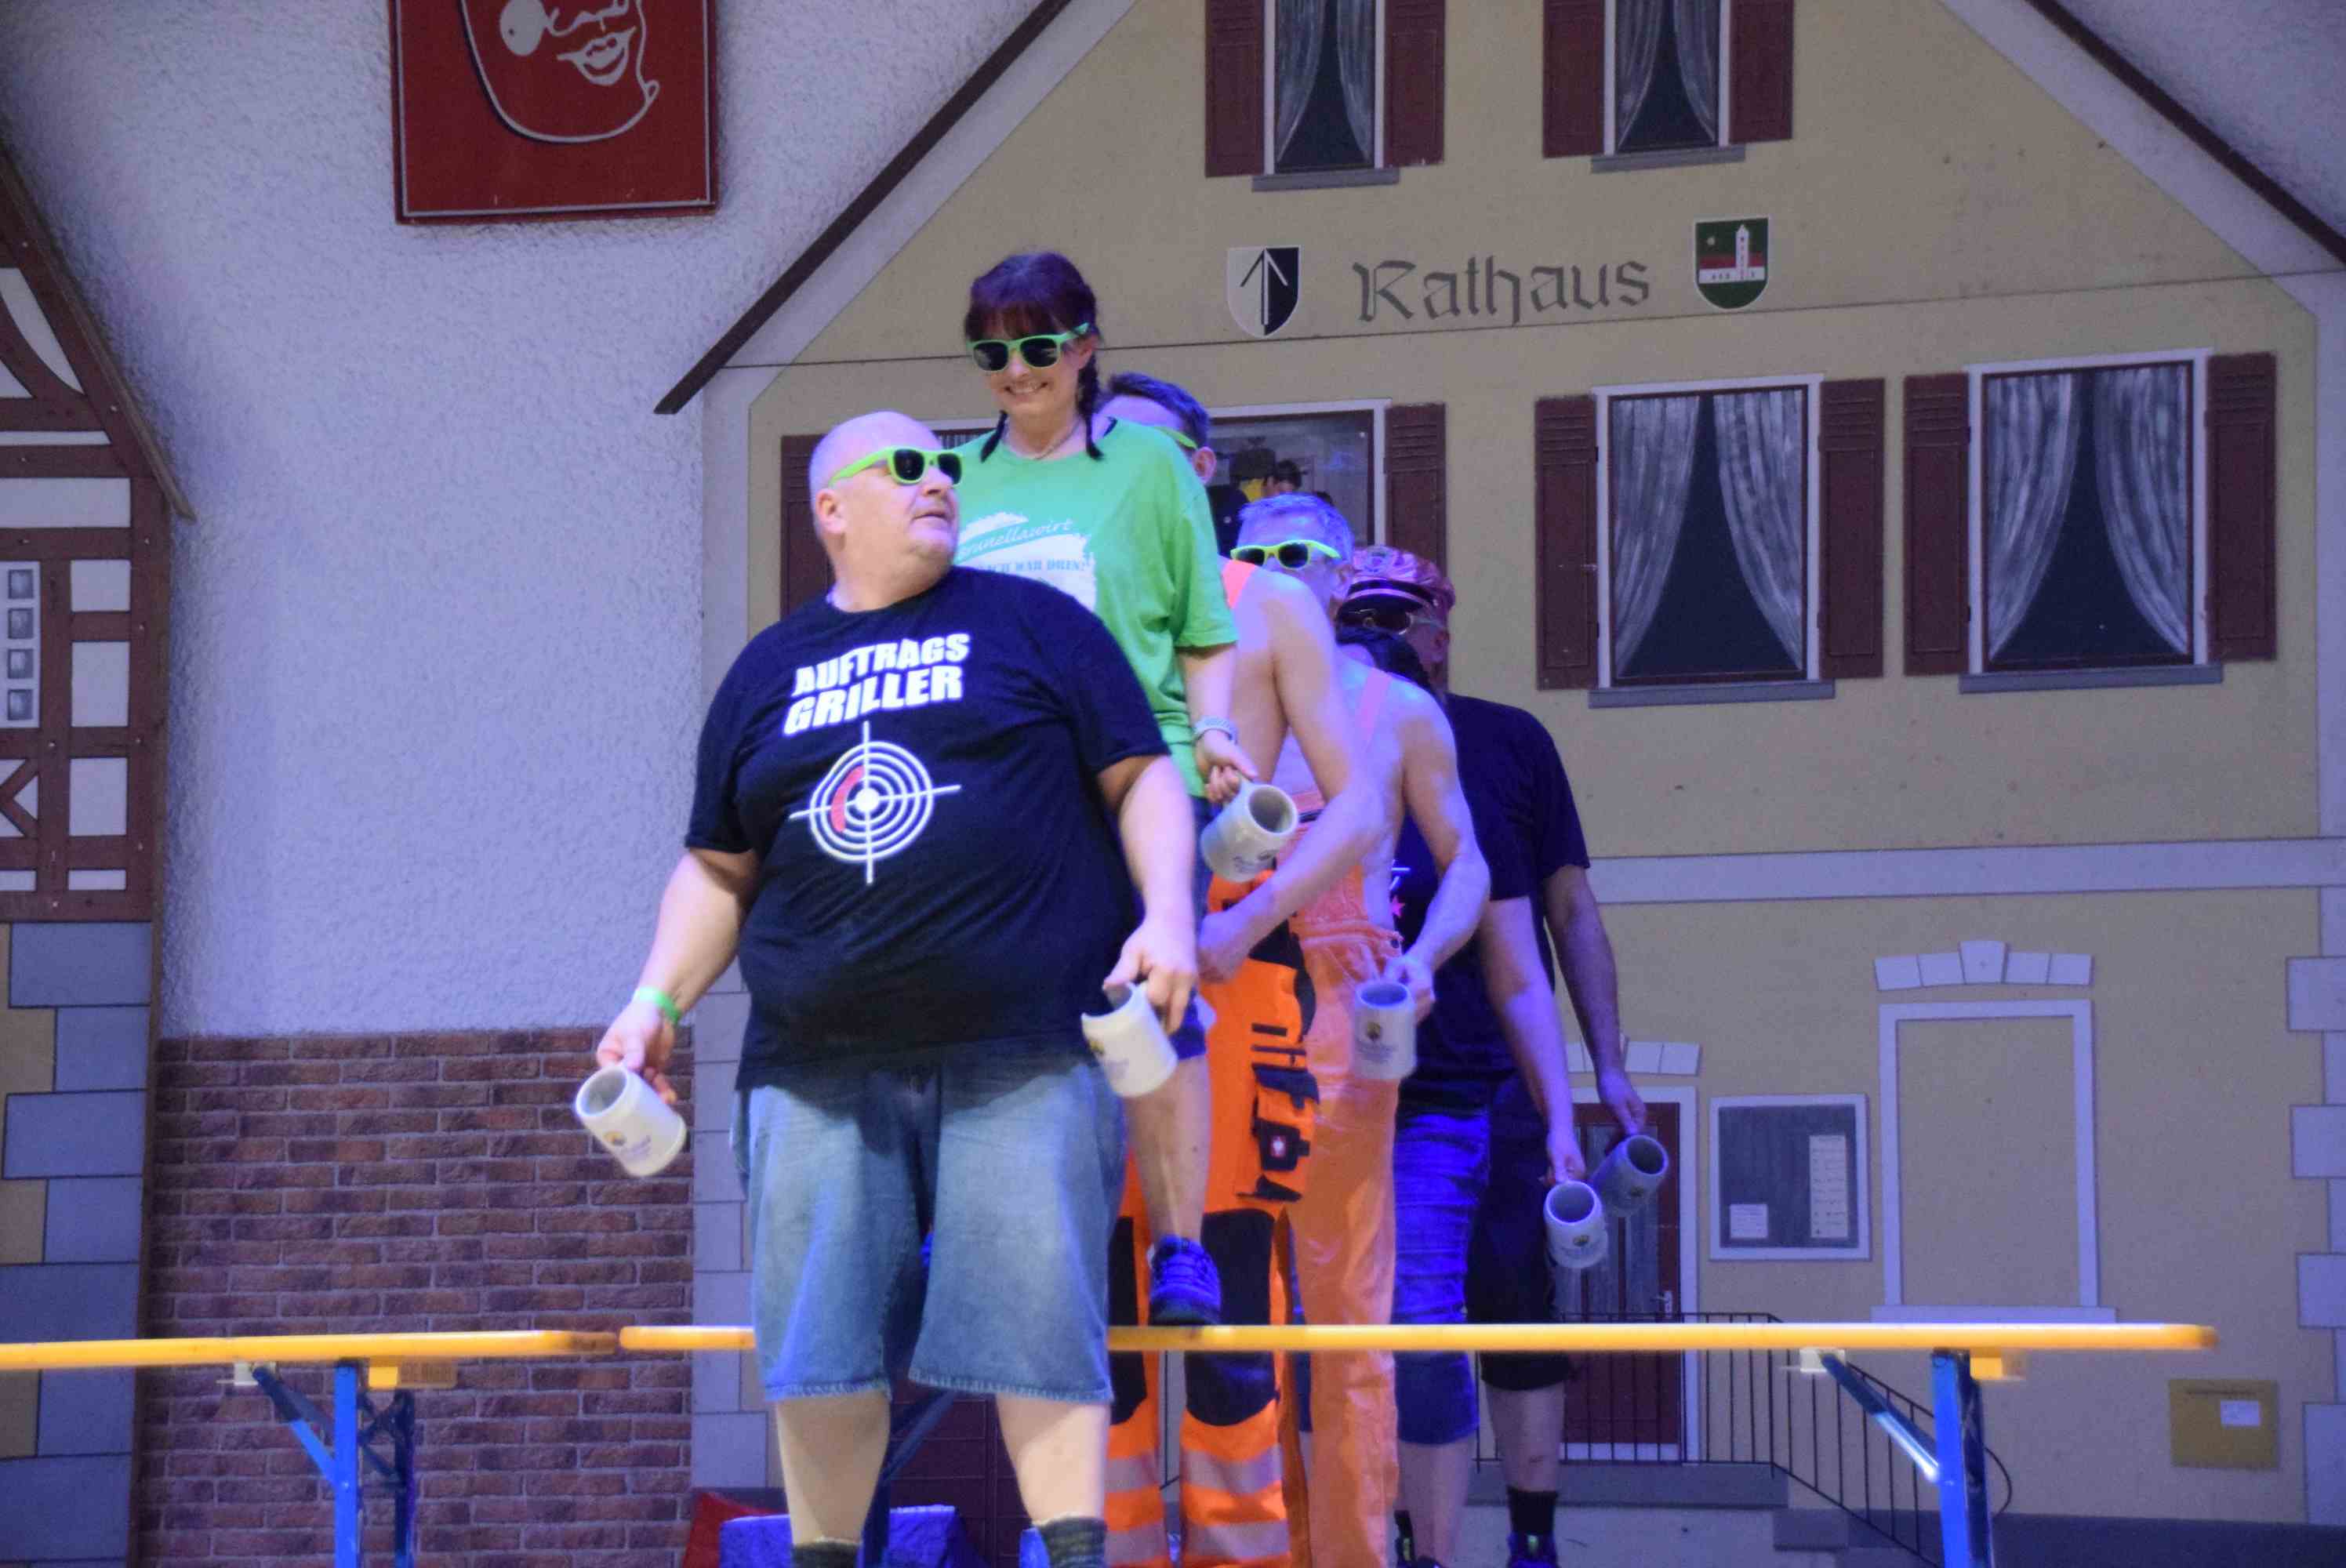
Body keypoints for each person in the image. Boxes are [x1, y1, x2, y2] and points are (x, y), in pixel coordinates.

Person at [594, 412, 1198, 1568]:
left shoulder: (1035, 624)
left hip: (1023, 1050)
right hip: (814, 1068)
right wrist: (653, 1003)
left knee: (1043, 1335)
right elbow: (717, 868)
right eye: (909, 466)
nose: (940, 482)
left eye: (950, 466)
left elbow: (1142, 779)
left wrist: (1170, 913)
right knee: (817, 1351)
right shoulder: (766, 671)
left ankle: (1074, 1558)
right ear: (832, 508)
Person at [1091, 376, 1389, 1568]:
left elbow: (1356, 808)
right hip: (1090, 974)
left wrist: (1247, 918)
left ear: (1203, 468)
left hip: (1233, 968)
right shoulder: (1059, 594)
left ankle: (1243, 1555)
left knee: (1226, 1300)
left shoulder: (1271, 605)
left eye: (1152, 449)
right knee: (1099, 1313)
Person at [952, 252, 1256, 1327]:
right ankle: (980, 1231)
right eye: (991, 352)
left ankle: (1181, 1250)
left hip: (1141, 773)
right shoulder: (953, 480)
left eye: (1037, 346)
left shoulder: (1151, 467)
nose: (1016, 370)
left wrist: (1215, 732)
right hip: (999, 788)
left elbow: (1204, 628)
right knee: (984, 1003)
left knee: (1151, 1003)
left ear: (1085, 347)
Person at [1338, 547, 1644, 1568]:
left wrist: (1604, 1067)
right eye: (1358, 614)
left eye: (1399, 615)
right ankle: (1393, 1537)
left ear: (1440, 628)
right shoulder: (1310, 733)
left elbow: (1563, 914)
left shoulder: (1507, 742)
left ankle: (1529, 1539)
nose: (1379, 632)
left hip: (1487, 1074)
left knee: (1512, 1300)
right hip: (1347, 1081)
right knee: (1373, 1318)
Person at [1232, 495, 1490, 1568]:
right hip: (1227, 981)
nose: (1277, 571)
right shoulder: (1206, 685)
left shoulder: (1399, 708)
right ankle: (1249, 1549)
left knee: (1346, 1301)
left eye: (1300, 554)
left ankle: (1353, 1553)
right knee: (1233, 1300)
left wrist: (1421, 961)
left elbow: (1468, 861)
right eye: (1255, 555)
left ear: (1341, 578)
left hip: (1345, 991)